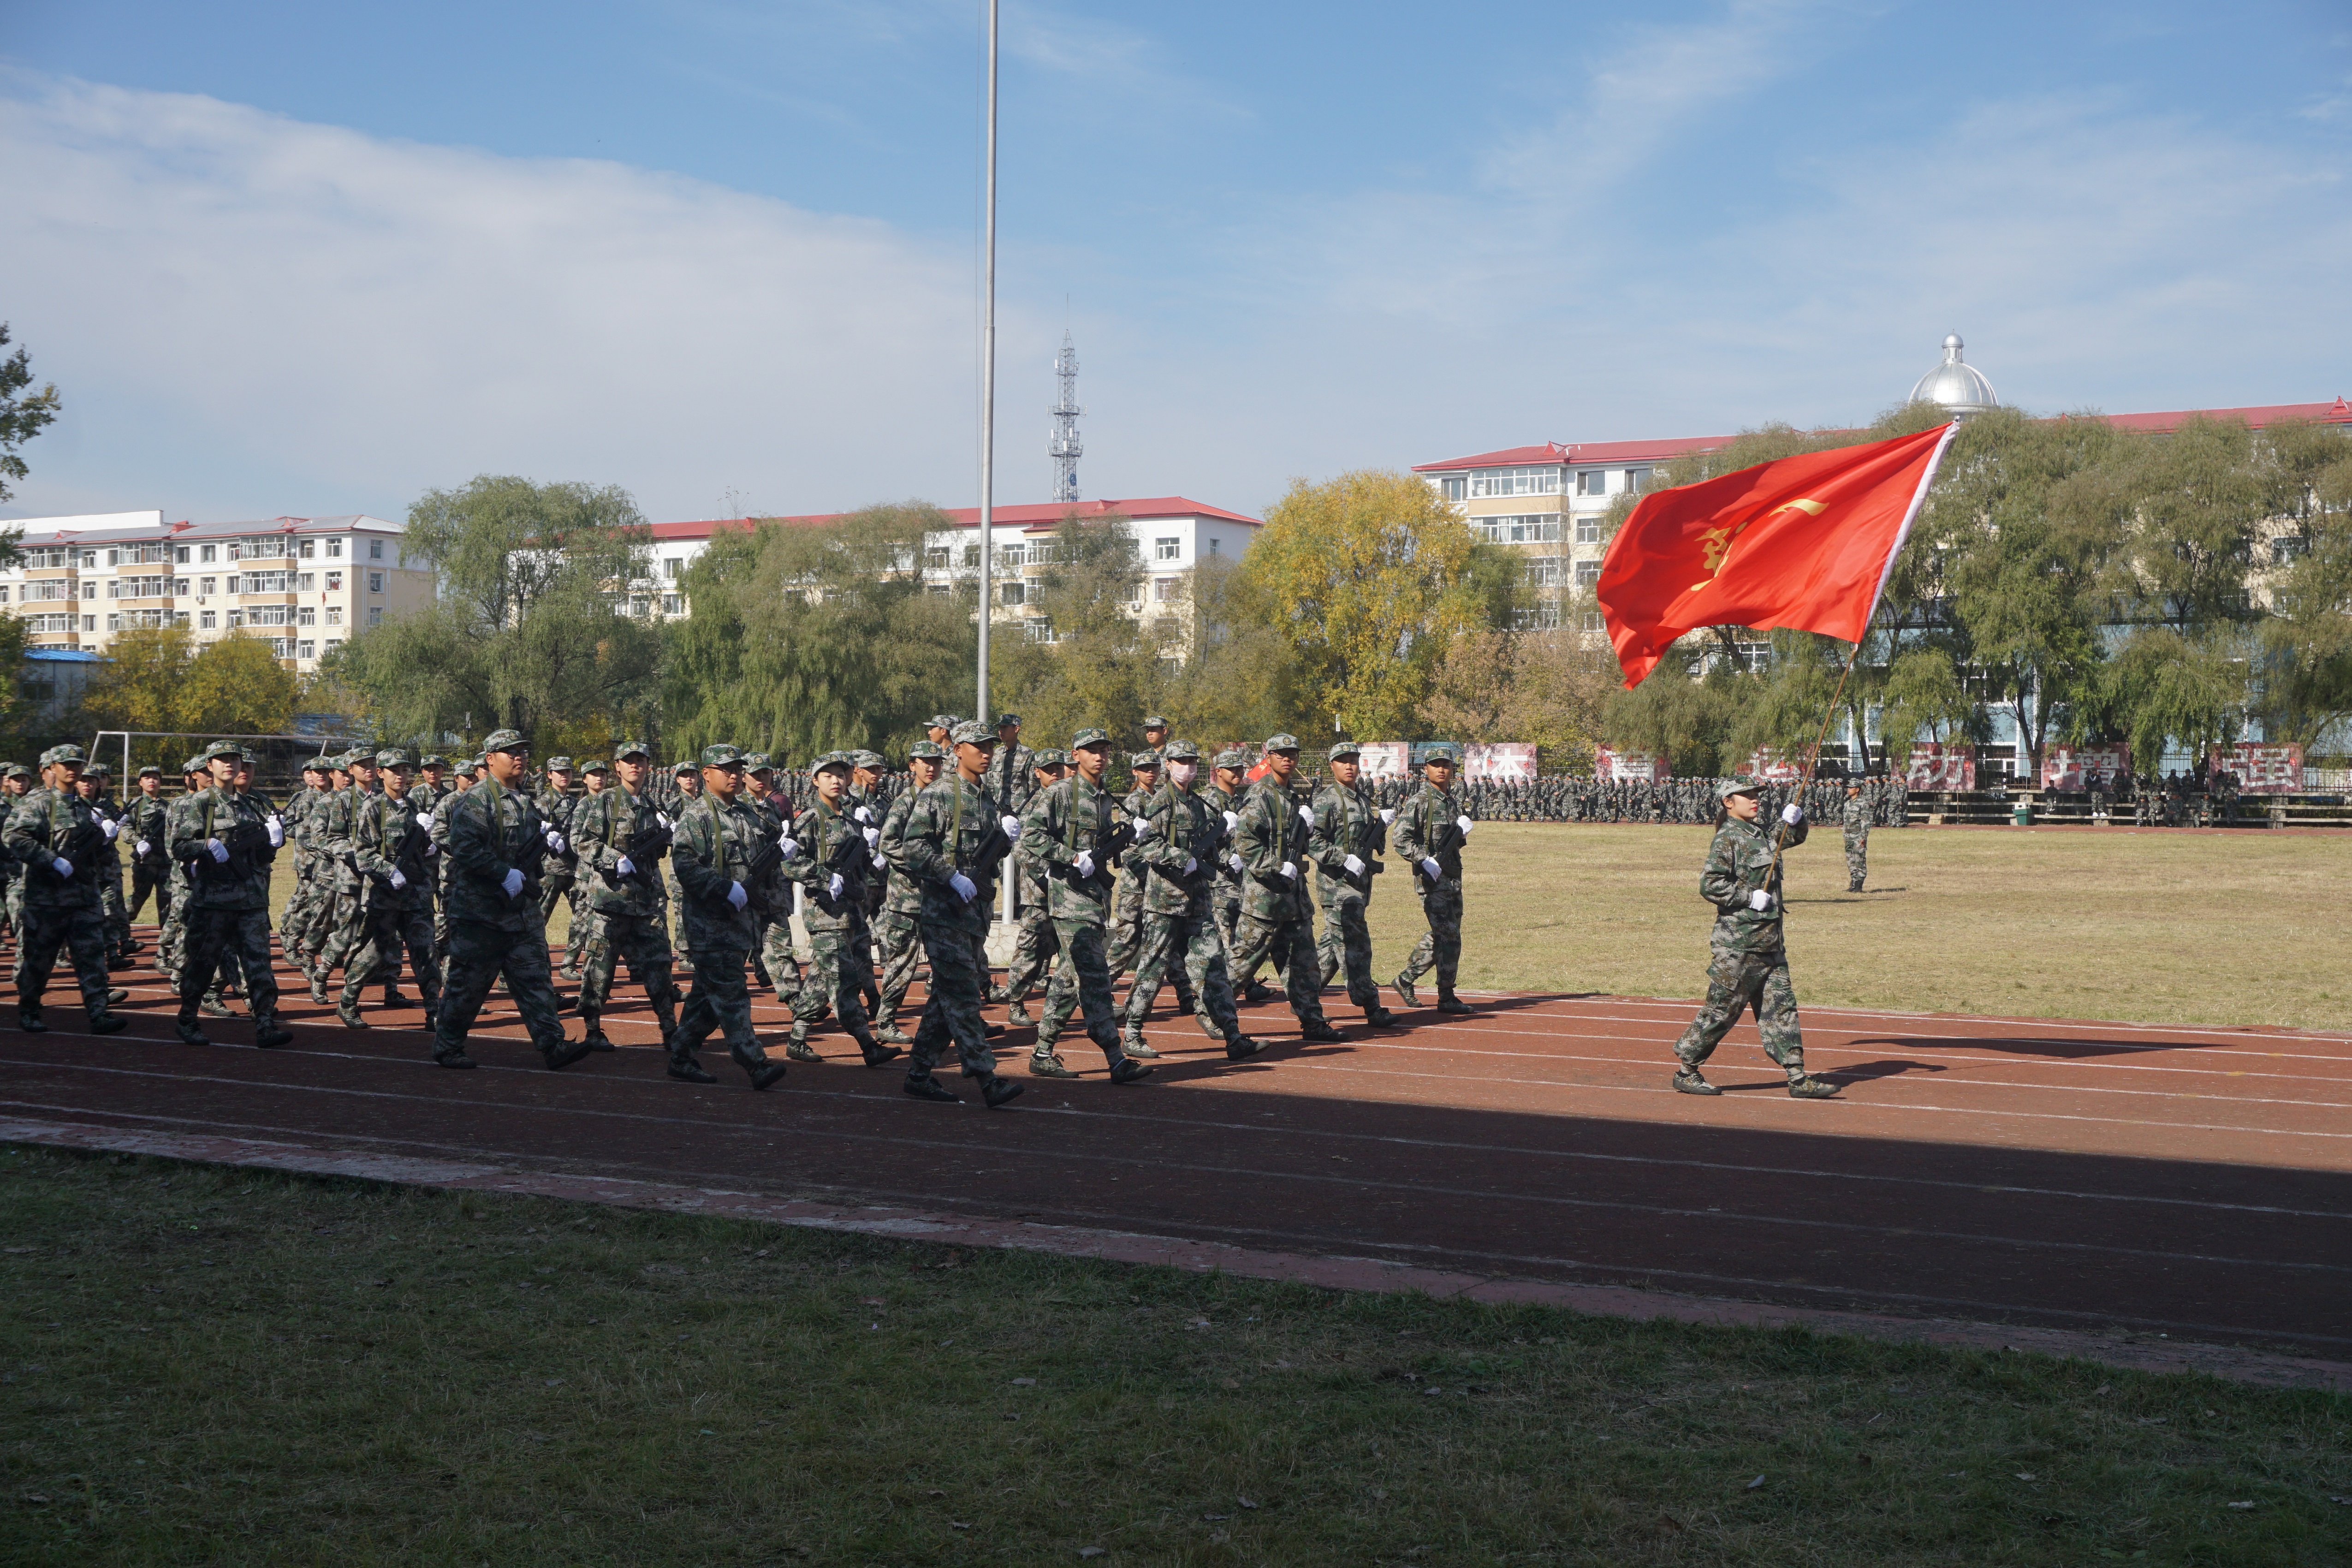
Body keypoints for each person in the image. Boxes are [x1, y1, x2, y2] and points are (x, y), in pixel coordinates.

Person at [1669, 779, 1839, 1099]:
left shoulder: (1758, 834)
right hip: (1739, 944)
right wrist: (1749, 898)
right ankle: (1687, 1070)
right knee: (1722, 1010)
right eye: (1746, 796)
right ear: (1728, 802)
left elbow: (1792, 837)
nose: (1754, 800)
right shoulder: (1728, 839)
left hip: (1770, 941)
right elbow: (1710, 885)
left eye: (1756, 795)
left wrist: (1795, 819)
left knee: (1781, 1009)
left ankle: (1797, 1076)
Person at [433, 730, 588, 1072]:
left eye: (522, 752)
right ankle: (448, 1045)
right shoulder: (476, 800)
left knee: (536, 979)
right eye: (510, 752)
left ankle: (553, 1044)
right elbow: (465, 849)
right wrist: (503, 873)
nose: (519, 757)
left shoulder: (523, 799)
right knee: (467, 985)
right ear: (490, 759)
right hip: (481, 913)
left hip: (521, 914)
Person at [894, 720, 1026, 1105]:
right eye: (978, 747)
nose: (987, 753)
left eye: (990, 748)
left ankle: (918, 1074)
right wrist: (950, 876)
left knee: (946, 999)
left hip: (975, 915)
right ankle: (987, 1079)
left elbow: (985, 858)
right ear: (958, 751)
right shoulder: (939, 794)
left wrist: (1005, 840)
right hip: (943, 912)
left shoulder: (987, 798)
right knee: (965, 996)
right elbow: (913, 846)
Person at [1016, 728, 1151, 1082]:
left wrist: (1127, 835)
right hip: (1068, 900)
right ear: (1075, 755)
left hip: (1095, 900)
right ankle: (1115, 1057)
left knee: (1066, 979)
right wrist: (1070, 857)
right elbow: (1031, 836)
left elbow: (1102, 844)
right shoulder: (1061, 793)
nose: (1099, 756)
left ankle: (1043, 1053)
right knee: (1094, 979)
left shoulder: (1105, 797)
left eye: (1104, 750)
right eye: (1091, 750)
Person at [1120, 737, 1259, 1061]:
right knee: (1152, 969)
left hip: (1198, 900)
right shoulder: (1158, 803)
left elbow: (1209, 848)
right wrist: (1179, 857)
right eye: (1181, 762)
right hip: (1164, 900)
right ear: (1168, 765)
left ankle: (1233, 1036)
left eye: (1192, 762)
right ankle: (1132, 1033)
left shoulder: (1200, 804)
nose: (1188, 768)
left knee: (1214, 967)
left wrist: (1223, 843)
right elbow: (1143, 847)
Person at [668, 744, 790, 1089]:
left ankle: (680, 1056)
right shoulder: (697, 816)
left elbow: (766, 851)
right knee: (733, 994)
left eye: (738, 768)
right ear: (706, 774)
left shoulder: (748, 813)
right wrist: (724, 888)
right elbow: (685, 866)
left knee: (707, 999)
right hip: (711, 925)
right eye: (726, 769)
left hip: (741, 924)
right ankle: (755, 1063)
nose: (735, 774)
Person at [159, 741, 289, 1047]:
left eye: (235, 760)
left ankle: (266, 1025)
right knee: (203, 964)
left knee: (259, 966)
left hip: (251, 900)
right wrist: (204, 846)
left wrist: (273, 842)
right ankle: (188, 1020)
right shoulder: (200, 803)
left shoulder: (252, 805)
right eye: (222, 760)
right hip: (214, 901)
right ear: (210, 766)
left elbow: (262, 859)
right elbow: (178, 847)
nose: (229, 765)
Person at [570, 740, 689, 1071]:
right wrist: (614, 859)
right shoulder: (606, 801)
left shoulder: (653, 805)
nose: (636, 766)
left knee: (659, 966)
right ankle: (593, 1029)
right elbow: (582, 841)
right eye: (629, 761)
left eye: (641, 761)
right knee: (600, 968)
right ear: (618, 767)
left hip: (646, 901)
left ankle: (669, 1028)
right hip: (611, 900)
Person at [778, 751, 901, 1067]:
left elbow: (861, 867)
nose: (836, 780)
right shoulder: (809, 819)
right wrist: (824, 878)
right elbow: (790, 863)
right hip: (826, 916)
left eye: (841, 775)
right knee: (845, 983)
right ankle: (868, 1045)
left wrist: (875, 857)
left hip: (853, 914)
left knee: (821, 980)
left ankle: (797, 1039)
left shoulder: (850, 819)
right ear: (815, 780)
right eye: (828, 775)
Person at [5, 745, 135, 1037]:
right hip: (47, 898)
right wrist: (51, 860)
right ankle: (29, 1010)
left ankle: (99, 1013)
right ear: (51, 768)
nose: (73, 769)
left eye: (77, 763)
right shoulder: (37, 803)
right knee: (39, 959)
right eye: (66, 764)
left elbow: (96, 857)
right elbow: (14, 837)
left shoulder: (85, 806)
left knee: (91, 956)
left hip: (84, 896)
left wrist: (105, 840)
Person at [1228, 734, 1344, 1043]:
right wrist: (1276, 866)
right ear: (1270, 756)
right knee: (1240, 968)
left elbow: (1296, 844)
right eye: (1281, 754)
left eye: (1292, 753)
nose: (1288, 758)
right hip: (1264, 901)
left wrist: (1306, 831)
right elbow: (1247, 846)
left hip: (1293, 900)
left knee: (1303, 968)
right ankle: (1213, 1013)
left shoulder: (1293, 795)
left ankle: (1313, 1023)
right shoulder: (1261, 795)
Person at [331, 748, 442, 1030]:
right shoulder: (372, 808)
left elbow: (424, 852)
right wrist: (388, 870)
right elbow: (362, 852)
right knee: (374, 951)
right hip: (386, 895)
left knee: (426, 952)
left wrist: (428, 842)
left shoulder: (414, 809)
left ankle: (433, 1009)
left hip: (416, 893)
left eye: (405, 770)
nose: (401, 776)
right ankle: (348, 1001)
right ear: (381, 774)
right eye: (395, 771)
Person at [1311, 740, 1398, 1027]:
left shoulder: (1361, 799)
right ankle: (1371, 1005)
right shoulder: (1326, 799)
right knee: (1355, 945)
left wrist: (1381, 826)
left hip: (1359, 885)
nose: (1349, 766)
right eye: (1343, 761)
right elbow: (1311, 840)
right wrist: (1341, 859)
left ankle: (1304, 997)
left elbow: (1369, 842)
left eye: (1353, 761)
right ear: (1332, 765)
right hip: (1338, 886)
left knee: (1331, 949)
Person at [870, 740, 946, 1045]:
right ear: (912, 765)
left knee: (947, 962)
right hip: (908, 898)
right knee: (903, 962)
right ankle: (886, 1020)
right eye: (924, 762)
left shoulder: (942, 799)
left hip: (939, 897)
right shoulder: (905, 802)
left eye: (936, 762)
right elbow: (888, 844)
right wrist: (925, 866)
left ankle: (959, 1021)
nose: (931, 767)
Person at [1391, 744, 1476, 1015]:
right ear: (1425, 769)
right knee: (1449, 936)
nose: (1441, 769)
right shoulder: (1420, 801)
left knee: (1444, 934)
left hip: (1452, 879)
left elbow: (1450, 844)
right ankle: (1446, 996)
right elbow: (1399, 839)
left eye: (1446, 765)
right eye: (1435, 764)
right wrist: (1424, 859)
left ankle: (1405, 979)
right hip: (1431, 881)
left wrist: (1461, 835)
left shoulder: (1450, 802)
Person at [999, 746, 1066, 1028]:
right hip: (1037, 890)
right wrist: (1045, 872)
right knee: (1031, 948)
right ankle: (1016, 1001)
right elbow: (1022, 848)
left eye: (1058, 768)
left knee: (1070, 947)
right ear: (1036, 772)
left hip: (1069, 890)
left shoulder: (1069, 798)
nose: (1054, 773)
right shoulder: (1030, 806)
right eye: (1048, 769)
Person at [124, 764, 173, 945]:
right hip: (144, 863)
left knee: (167, 904)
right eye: (147, 778)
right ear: (140, 782)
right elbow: (126, 828)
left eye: (155, 778)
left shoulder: (168, 806)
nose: (152, 781)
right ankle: (117, 932)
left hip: (165, 863)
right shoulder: (135, 805)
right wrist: (138, 842)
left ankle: (167, 946)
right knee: (137, 900)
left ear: (160, 782)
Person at [1841, 782, 1870, 893]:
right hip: (1849, 836)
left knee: (1859, 860)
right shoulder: (1847, 804)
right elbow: (1845, 821)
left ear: (1857, 789)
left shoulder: (1863, 804)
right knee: (1850, 860)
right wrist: (1845, 834)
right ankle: (1853, 882)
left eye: (1851, 788)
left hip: (1858, 836)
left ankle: (1859, 885)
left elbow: (1865, 822)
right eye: (1848, 788)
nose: (1848, 790)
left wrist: (1863, 837)